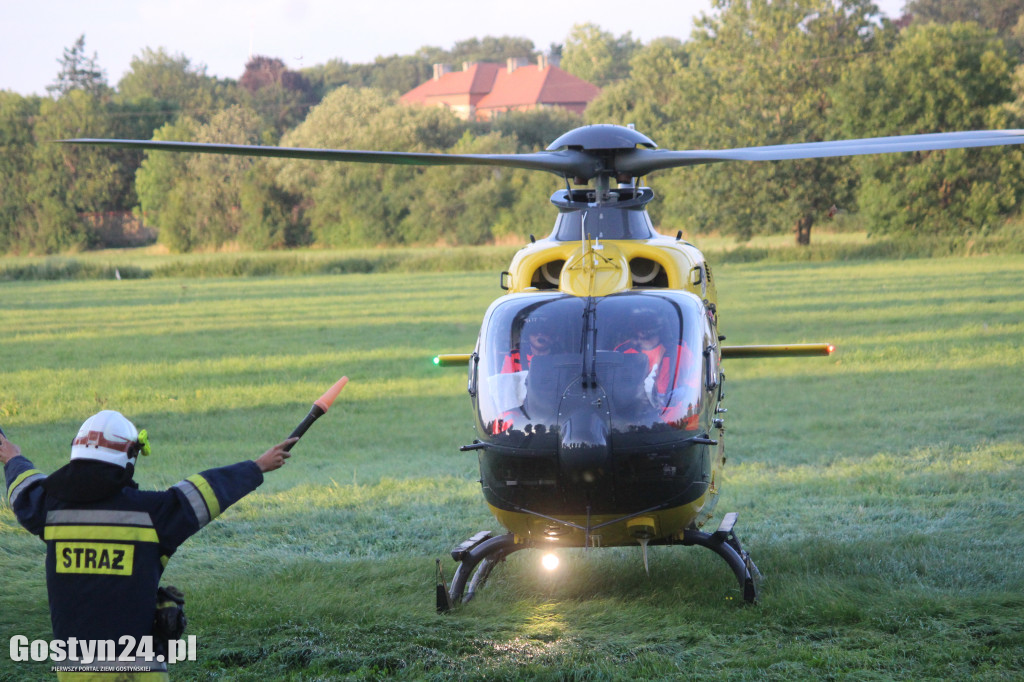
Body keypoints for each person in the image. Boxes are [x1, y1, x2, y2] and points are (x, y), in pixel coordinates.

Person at [1, 410, 296, 681]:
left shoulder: (50, 510)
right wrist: (256, 467)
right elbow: (203, 492)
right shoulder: (154, 513)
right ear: (128, 459)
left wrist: (13, 456)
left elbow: (25, 491)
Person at [615, 311, 697, 421]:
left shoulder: (678, 349)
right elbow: (614, 388)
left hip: (673, 420)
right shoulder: (622, 352)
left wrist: (684, 391)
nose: (641, 333)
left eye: (648, 328)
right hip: (633, 417)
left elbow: (697, 379)